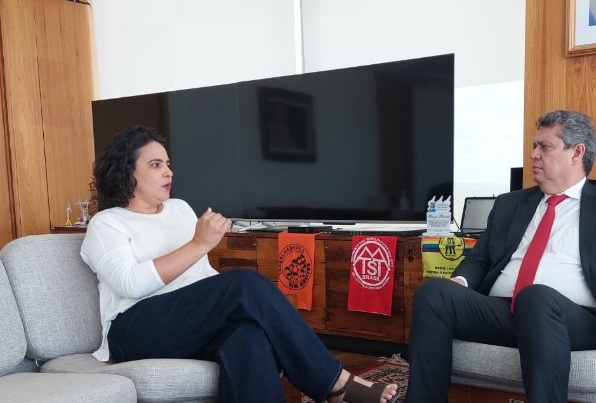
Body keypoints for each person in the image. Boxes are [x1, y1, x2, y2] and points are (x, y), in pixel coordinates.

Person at [80, 126, 398, 403]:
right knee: (245, 285)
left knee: (248, 337)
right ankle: (334, 383)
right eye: (155, 164)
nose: (168, 172)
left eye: (168, 164)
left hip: (190, 323)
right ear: (126, 172)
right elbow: (129, 283)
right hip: (135, 329)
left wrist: (224, 300)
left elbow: (201, 276)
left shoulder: (178, 209)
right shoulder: (106, 224)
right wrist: (199, 244)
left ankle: (332, 384)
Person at [405, 110, 596, 403]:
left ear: (576, 153)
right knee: (434, 293)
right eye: (533, 146)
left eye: (545, 147)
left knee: (536, 297)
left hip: (577, 319)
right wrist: (462, 281)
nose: (533, 155)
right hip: (505, 311)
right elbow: (480, 260)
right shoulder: (510, 203)